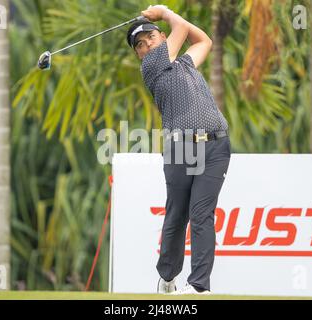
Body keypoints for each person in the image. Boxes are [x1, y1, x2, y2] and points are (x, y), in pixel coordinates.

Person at [126, 5, 231, 295]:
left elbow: (204, 41)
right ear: (139, 54)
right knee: (177, 215)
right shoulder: (152, 67)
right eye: (140, 45)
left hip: (216, 145)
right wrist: (165, 12)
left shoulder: (184, 63)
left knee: (201, 214)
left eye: (151, 38)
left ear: (161, 37)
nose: (146, 46)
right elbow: (182, 29)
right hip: (180, 150)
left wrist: (168, 17)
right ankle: (168, 276)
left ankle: (199, 286)